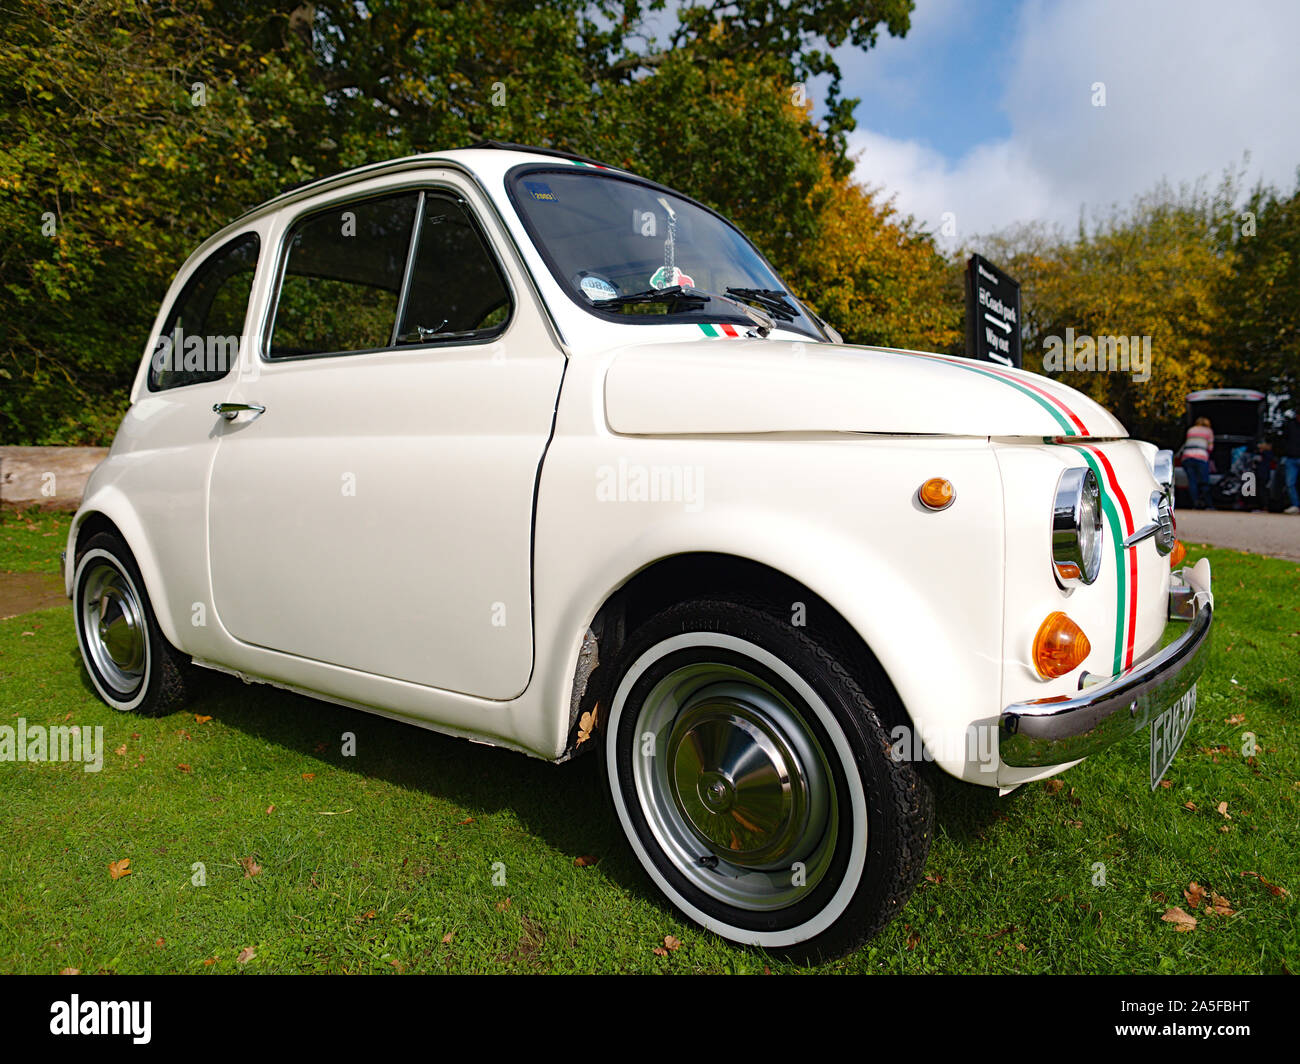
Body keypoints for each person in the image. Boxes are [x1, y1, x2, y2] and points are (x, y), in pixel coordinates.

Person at [1181, 416, 1214, 510]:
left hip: (1187, 457)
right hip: (1201, 458)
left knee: (1192, 482)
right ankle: (1209, 505)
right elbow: (1210, 448)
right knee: (1204, 482)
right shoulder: (1208, 431)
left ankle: (1195, 504)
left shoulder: (1191, 430)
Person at [1282, 408, 1300, 514]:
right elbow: (1284, 439)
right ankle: (1295, 505)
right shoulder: (1290, 425)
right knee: (1290, 483)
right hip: (1291, 457)